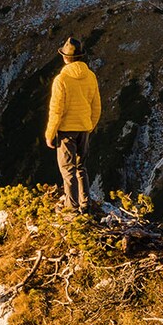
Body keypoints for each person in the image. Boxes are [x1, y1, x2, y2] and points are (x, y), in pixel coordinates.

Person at [44, 37, 101, 214]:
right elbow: (96, 105)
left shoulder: (61, 79)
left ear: (64, 57)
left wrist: (50, 134)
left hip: (66, 131)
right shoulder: (90, 76)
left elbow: (56, 111)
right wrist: (89, 126)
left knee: (68, 169)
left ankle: (72, 208)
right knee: (81, 167)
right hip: (84, 128)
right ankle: (86, 203)